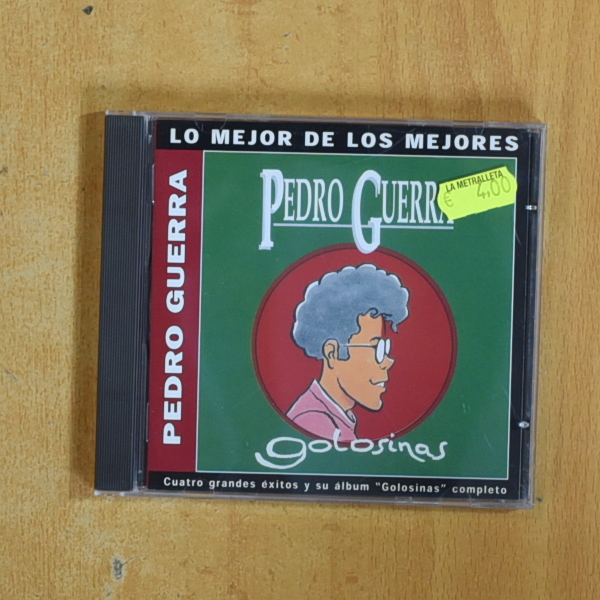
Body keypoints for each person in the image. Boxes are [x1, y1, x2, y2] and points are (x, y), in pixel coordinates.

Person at [287, 264, 409, 442]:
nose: (388, 362)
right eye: (377, 349)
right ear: (332, 353)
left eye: (386, 348)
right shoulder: (314, 421)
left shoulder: (336, 417)